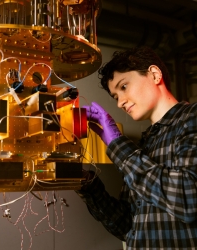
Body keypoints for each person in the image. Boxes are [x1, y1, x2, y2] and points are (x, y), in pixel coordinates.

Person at [76, 46, 197, 249]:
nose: (120, 103)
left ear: (155, 74)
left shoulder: (192, 118)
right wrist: (88, 185)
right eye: (115, 97)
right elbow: (127, 226)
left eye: (123, 87)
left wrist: (117, 144)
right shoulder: (144, 144)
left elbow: (188, 200)